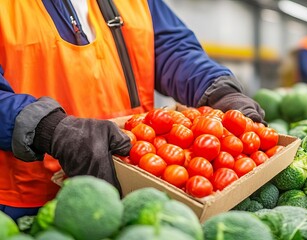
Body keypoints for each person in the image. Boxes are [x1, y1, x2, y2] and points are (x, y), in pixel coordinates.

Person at [0, 0, 265, 221]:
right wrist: (48, 129)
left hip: (137, 181)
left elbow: (171, 47)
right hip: (29, 201)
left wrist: (217, 89)